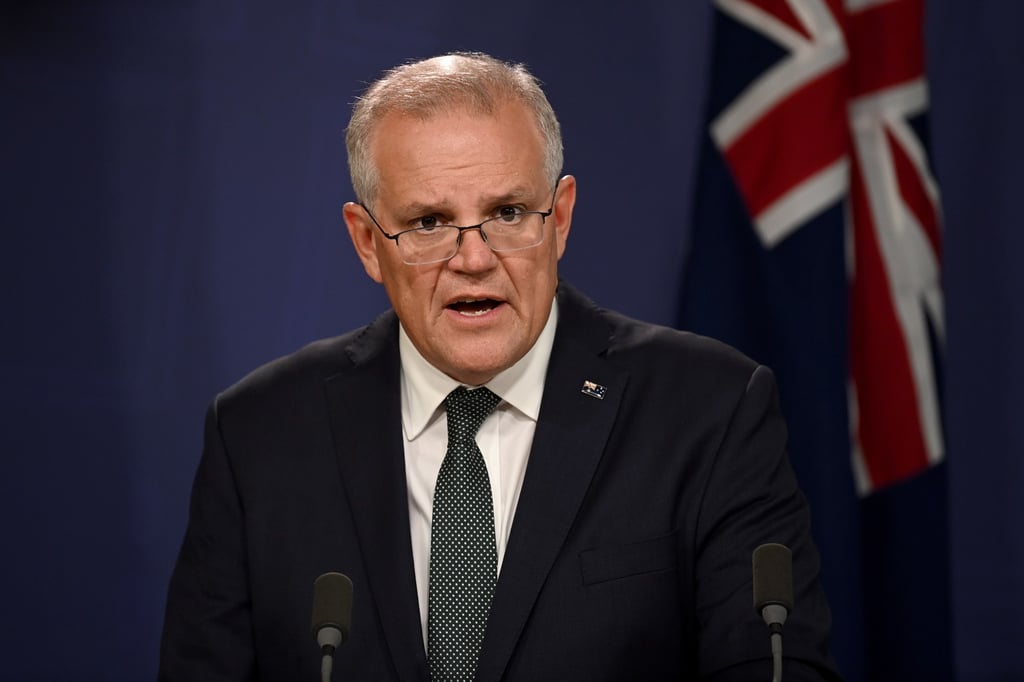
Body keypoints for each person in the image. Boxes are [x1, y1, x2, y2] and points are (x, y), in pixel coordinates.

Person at [159, 52, 842, 681]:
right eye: (429, 223)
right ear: (368, 242)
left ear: (561, 217)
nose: (474, 257)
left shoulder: (709, 410)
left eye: (508, 212)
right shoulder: (259, 435)